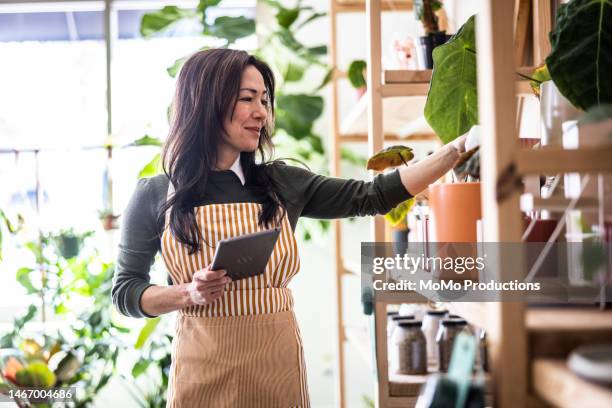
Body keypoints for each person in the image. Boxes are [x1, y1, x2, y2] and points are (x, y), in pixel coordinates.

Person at [111, 48, 466, 407]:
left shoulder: (280, 183)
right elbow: (126, 292)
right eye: (247, 99)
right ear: (206, 103)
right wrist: (188, 294)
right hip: (202, 371)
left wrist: (456, 149)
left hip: (276, 369)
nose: (261, 113)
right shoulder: (156, 194)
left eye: (264, 100)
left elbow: (372, 195)